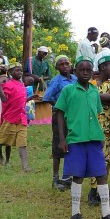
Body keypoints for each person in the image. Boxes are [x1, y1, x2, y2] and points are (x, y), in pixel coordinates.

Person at [55, 57, 110, 219]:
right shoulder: (68, 91)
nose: (85, 72)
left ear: (91, 71)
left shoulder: (94, 91)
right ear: (75, 71)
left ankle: (106, 214)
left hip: (94, 139)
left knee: (101, 174)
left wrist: (100, 135)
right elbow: (60, 114)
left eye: (88, 69)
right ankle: (75, 214)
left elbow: (97, 114)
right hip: (76, 139)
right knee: (77, 176)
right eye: (81, 69)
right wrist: (62, 139)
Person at [87, 51, 110, 206]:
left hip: (107, 130)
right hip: (91, 129)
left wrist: (93, 96)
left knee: (105, 160)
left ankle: (100, 190)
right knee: (94, 159)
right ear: (103, 67)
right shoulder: (91, 84)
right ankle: (93, 191)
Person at [43, 55, 75, 190]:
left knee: (71, 144)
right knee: (58, 145)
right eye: (61, 64)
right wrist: (61, 106)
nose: (65, 66)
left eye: (66, 63)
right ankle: (55, 179)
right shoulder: (56, 81)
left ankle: (67, 177)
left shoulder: (75, 79)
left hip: (73, 116)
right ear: (56, 67)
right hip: (60, 116)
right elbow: (47, 97)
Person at [0, 64, 31, 171]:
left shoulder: (22, 85)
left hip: (22, 119)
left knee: (23, 143)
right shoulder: (7, 84)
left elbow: (20, 101)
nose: (20, 73)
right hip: (10, 118)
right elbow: (4, 99)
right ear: (10, 72)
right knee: (1, 141)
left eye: (21, 71)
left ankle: (25, 167)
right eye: (17, 71)